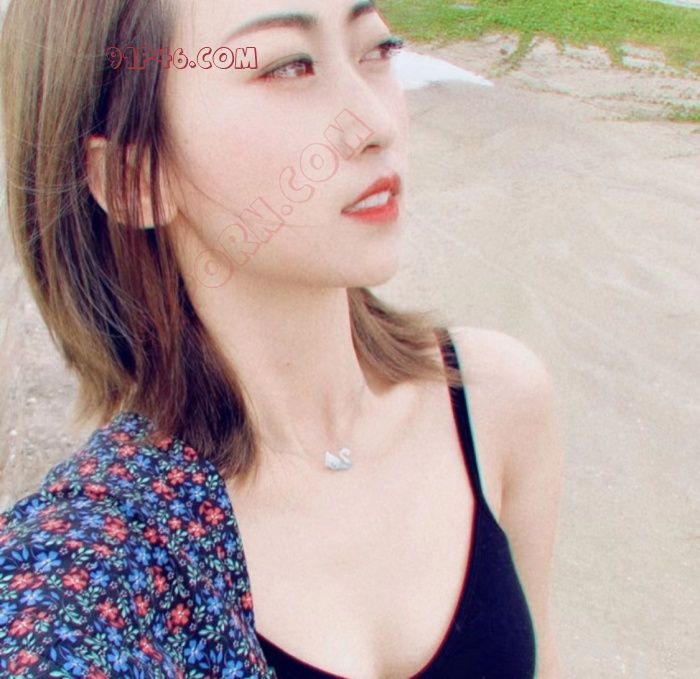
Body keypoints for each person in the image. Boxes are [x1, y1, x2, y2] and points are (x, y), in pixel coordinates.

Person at [0, 0, 564, 677]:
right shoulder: (98, 560)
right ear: (132, 180)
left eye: (377, 49)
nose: (375, 124)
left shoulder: (495, 399)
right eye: (288, 66)